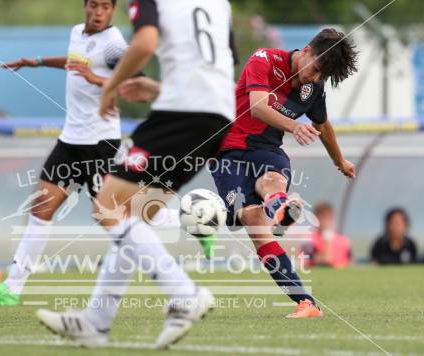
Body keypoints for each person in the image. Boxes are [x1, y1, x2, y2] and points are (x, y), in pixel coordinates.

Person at [36, 0, 236, 349]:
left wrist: (111, 85)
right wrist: (159, 89)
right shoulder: (219, 4)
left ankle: (184, 293)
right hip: (216, 117)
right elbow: (216, 64)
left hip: (180, 114)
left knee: (107, 207)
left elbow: (144, 43)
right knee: (137, 214)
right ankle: (95, 322)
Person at [119, 28, 359, 319]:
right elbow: (258, 107)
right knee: (252, 221)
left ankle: (305, 300)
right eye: (317, 70)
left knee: (271, 183)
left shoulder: (313, 89)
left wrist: (339, 160)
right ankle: (276, 209)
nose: (315, 78)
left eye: (323, 77)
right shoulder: (265, 59)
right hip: (228, 149)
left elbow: (323, 125)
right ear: (307, 49)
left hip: (268, 149)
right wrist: (294, 126)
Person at [0, 0, 128, 306]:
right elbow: (73, 61)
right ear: (85, 6)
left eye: (105, 7)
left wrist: (95, 79)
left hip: (100, 142)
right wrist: (38, 61)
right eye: (94, 5)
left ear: (113, 10)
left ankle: (179, 255)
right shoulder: (76, 33)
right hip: (71, 140)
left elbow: (131, 81)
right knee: (41, 209)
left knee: (111, 218)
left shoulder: (114, 44)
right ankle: (12, 289)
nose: (99, 12)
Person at [299, 202, 351, 268]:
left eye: (329, 217)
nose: (326, 221)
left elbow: (351, 263)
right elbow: (325, 260)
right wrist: (327, 239)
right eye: (323, 218)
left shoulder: (343, 240)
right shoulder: (309, 240)